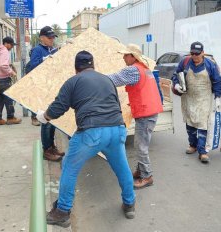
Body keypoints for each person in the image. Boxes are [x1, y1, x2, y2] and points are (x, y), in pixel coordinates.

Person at [36, 51, 136, 228]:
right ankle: (129, 204)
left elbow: (59, 107)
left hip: (92, 132)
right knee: (122, 167)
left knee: (69, 166)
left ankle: (62, 212)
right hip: (117, 129)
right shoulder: (107, 80)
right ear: (93, 65)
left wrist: (44, 117)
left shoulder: (73, 81)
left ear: (76, 68)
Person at [108, 44, 163, 189]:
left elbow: (114, 79)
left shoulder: (133, 70)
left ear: (133, 56)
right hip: (150, 110)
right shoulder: (144, 68)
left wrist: (93, 78)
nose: (123, 57)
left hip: (146, 112)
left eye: (126, 55)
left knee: (140, 145)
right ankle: (141, 170)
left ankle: (147, 176)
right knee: (141, 144)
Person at [172, 42, 221, 163]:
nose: (194, 56)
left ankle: (202, 151)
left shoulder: (210, 65)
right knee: (190, 122)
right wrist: (177, 84)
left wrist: (218, 97)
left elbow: (216, 81)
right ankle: (192, 145)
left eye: (197, 54)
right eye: (192, 53)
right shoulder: (184, 62)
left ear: (203, 53)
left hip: (204, 98)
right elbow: (175, 75)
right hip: (188, 97)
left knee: (202, 123)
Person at [30, 26, 63, 161]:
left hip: (50, 88)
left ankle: (52, 146)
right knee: (46, 120)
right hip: (42, 90)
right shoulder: (37, 50)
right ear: (41, 38)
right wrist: (44, 60)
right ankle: (47, 149)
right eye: (49, 37)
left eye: (53, 37)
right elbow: (32, 66)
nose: (51, 40)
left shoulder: (50, 50)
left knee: (52, 120)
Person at [0, 37, 21, 126]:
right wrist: (12, 72)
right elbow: (3, 65)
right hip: (3, 79)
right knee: (9, 99)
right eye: (11, 45)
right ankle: (11, 117)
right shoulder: (4, 51)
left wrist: (9, 65)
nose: (12, 47)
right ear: (6, 44)